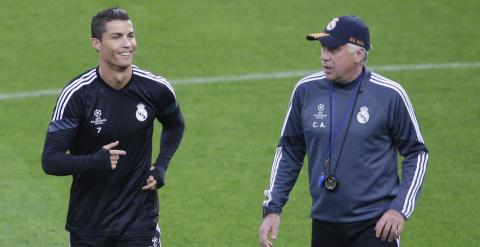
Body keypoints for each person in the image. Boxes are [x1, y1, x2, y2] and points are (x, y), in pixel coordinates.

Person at [259, 16, 428, 247]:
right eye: (323, 48)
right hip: (324, 223)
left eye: (333, 49)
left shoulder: (390, 95)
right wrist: (272, 208)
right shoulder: (306, 90)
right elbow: (289, 150)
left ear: (358, 54)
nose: (324, 56)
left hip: (376, 226)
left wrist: (399, 210)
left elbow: (417, 153)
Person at [41, 7, 185, 247]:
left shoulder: (155, 89)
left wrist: (161, 167)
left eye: (130, 35)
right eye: (116, 37)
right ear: (97, 44)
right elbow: (50, 160)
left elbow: (175, 125)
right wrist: (95, 161)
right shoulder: (77, 95)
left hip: (140, 221)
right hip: (89, 225)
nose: (127, 43)